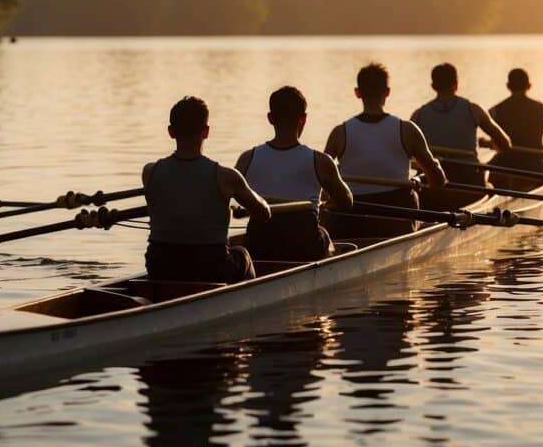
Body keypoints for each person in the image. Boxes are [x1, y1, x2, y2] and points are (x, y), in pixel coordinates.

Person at [143, 96, 271, 283]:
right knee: (242, 253)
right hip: (210, 266)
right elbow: (264, 213)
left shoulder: (149, 172)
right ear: (206, 131)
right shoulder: (226, 177)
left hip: (160, 265)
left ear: (171, 132)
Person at [324, 63, 446, 237]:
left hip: (353, 221)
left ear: (357, 93)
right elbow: (438, 181)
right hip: (396, 219)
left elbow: (321, 182)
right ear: (387, 92)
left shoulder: (339, 133)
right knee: (415, 196)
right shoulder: (407, 130)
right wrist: (422, 177)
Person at [235, 86, 353, 261]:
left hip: (261, 245)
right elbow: (347, 201)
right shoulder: (320, 161)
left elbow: (233, 200)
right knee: (324, 233)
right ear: (303, 119)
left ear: (270, 118)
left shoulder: (247, 159)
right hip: (304, 247)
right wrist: (325, 205)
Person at [411, 63, 511, 210]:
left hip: (433, 187)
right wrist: (489, 145)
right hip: (468, 183)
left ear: (433, 86)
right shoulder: (473, 110)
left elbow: (407, 154)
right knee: (491, 184)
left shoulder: (418, 116)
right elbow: (505, 144)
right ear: (456, 84)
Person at [486, 68, 543, 190]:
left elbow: (492, 137)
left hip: (506, 162)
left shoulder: (494, 111)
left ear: (508, 86)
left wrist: (486, 143)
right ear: (528, 86)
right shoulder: (540, 108)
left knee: (487, 170)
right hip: (533, 162)